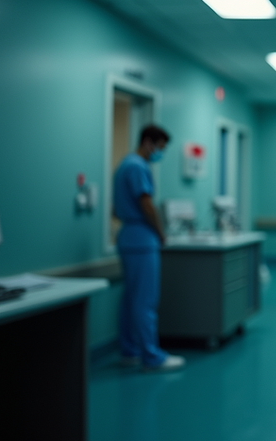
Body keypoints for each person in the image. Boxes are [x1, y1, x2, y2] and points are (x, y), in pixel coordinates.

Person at [113, 124, 185, 372]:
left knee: (130, 299)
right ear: (148, 142)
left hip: (127, 236)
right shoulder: (137, 167)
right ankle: (152, 356)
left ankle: (130, 350)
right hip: (142, 240)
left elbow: (115, 210)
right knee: (145, 301)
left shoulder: (123, 166)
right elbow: (146, 203)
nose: (160, 154)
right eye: (160, 148)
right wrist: (160, 232)